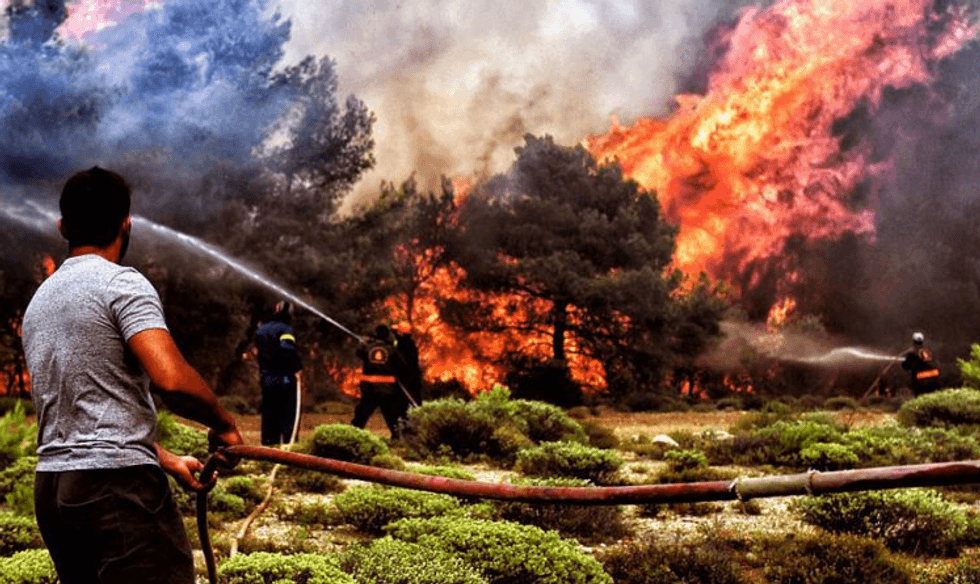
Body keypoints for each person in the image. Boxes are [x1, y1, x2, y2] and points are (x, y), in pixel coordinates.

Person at [21, 167, 244, 584]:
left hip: (54, 489)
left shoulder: (41, 301)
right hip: (116, 490)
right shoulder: (121, 283)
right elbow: (171, 380)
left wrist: (162, 458)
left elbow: (82, 409)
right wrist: (224, 423)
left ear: (63, 226)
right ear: (127, 223)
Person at [351, 324, 416, 439]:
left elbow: (358, 353)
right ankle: (396, 437)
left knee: (362, 414)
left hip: (369, 389)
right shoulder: (392, 350)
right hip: (386, 390)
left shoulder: (367, 347)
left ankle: (352, 435)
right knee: (391, 415)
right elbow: (403, 366)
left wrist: (362, 343)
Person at [255, 301, 303, 446]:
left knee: (269, 413)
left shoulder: (262, 330)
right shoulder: (286, 330)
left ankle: (269, 445)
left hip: (266, 378)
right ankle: (289, 447)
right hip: (284, 377)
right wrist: (297, 367)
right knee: (288, 413)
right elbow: (286, 349)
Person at [901, 332, 941, 396]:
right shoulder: (928, 351)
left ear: (913, 342)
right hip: (933, 380)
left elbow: (905, 366)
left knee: (920, 397)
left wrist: (904, 362)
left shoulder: (912, 354)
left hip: (920, 381)